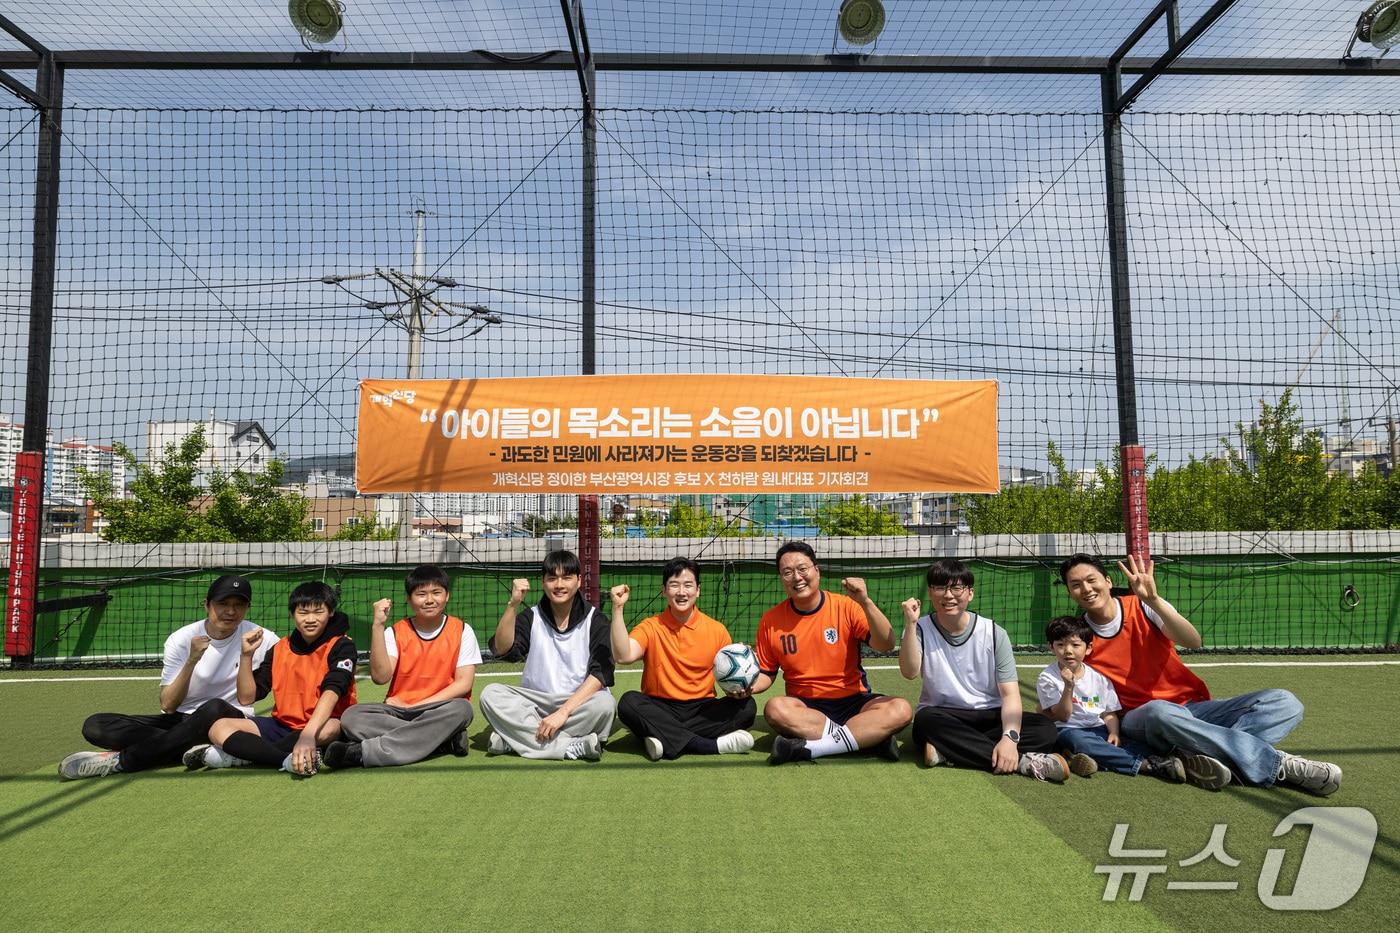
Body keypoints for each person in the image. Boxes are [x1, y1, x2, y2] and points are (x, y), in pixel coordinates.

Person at [1060, 553, 1341, 795]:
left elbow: (1192, 640)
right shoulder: (1079, 638)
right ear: (1070, 592)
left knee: (1284, 703)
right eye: (1076, 585)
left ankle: (1201, 757)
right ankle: (1276, 765)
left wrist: (1154, 600)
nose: (1086, 588)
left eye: (1091, 579)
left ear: (1108, 581)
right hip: (1143, 719)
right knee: (1160, 711)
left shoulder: (1144, 606)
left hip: (1193, 709)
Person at [58, 574, 278, 780]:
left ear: (247, 608)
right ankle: (198, 749)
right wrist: (192, 660)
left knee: (214, 707)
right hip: (183, 719)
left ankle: (124, 761)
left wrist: (246, 655)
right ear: (207, 604)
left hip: (229, 720)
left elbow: (248, 700)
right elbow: (169, 704)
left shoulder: (264, 639)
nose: (231, 611)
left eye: (239, 605)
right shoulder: (181, 639)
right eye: (223, 604)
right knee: (96, 725)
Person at [900, 558, 1068, 782]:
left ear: (970, 593)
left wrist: (1009, 738)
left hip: (990, 715)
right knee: (924, 722)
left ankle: (948, 751)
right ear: (930, 592)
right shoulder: (918, 628)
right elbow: (910, 672)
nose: (948, 595)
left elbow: (1010, 694)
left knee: (1045, 729)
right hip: (943, 714)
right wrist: (910, 625)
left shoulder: (994, 633)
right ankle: (1025, 763)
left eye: (956, 588)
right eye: (940, 587)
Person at [753, 541, 912, 765]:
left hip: (855, 703)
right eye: (787, 572)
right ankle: (867, 738)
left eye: (802, 569)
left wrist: (865, 602)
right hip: (806, 707)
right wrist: (747, 685)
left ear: (816, 570)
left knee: (901, 709)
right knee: (776, 708)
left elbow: (886, 644)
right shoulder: (771, 620)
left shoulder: (846, 606)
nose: (796, 577)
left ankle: (811, 748)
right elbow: (767, 672)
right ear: (782, 579)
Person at [186, 580, 356, 777]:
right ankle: (284, 759)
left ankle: (242, 754)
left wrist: (308, 734)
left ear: (331, 612)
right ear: (292, 614)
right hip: (282, 726)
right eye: (303, 612)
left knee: (331, 730)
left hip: (323, 723)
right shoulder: (279, 648)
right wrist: (246, 656)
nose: (310, 619)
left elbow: (333, 690)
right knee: (219, 727)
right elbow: (247, 698)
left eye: (318, 612)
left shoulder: (342, 645)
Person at [323, 564, 479, 769]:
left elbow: (463, 685)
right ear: (409, 599)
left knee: (463, 708)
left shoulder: (462, 630)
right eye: (421, 594)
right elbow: (381, 677)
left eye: (436, 593)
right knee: (351, 717)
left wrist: (415, 706)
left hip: (439, 708)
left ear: (447, 596)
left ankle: (363, 753)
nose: (430, 600)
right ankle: (442, 740)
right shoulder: (395, 632)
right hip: (397, 710)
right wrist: (378, 626)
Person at [609, 557, 757, 761]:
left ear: (698, 590)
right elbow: (623, 656)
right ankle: (707, 745)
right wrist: (617, 608)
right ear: (664, 590)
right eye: (674, 585)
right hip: (660, 706)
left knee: (747, 708)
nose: (681, 592)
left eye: (688, 585)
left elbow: (726, 683)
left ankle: (660, 735)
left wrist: (740, 687)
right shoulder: (650, 626)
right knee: (628, 703)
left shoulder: (717, 630)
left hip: (703, 709)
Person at [478, 549, 615, 761]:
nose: (559, 585)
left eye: (567, 578)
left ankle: (515, 740)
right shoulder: (531, 616)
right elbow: (503, 649)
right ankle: (570, 747)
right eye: (552, 578)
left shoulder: (596, 620)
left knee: (605, 705)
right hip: (534, 703)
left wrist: (563, 713)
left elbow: (600, 674)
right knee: (490, 694)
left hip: (576, 702)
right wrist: (513, 604)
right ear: (543, 582)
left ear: (579, 581)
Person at [1035, 615, 1185, 781]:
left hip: (1098, 728)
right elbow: (1062, 716)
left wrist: (1114, 733)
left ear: (1089, 648)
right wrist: (1068, 687)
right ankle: (1145, 766)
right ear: (1051, 647)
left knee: (1132, 744)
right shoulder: (1047, 678)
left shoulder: (1099, 678)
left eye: (1075, 645)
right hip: (1068, 729)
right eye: (1060, 645)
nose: (1068, 651)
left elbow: (1109, 713)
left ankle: (1080, 758)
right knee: (1081, 741)